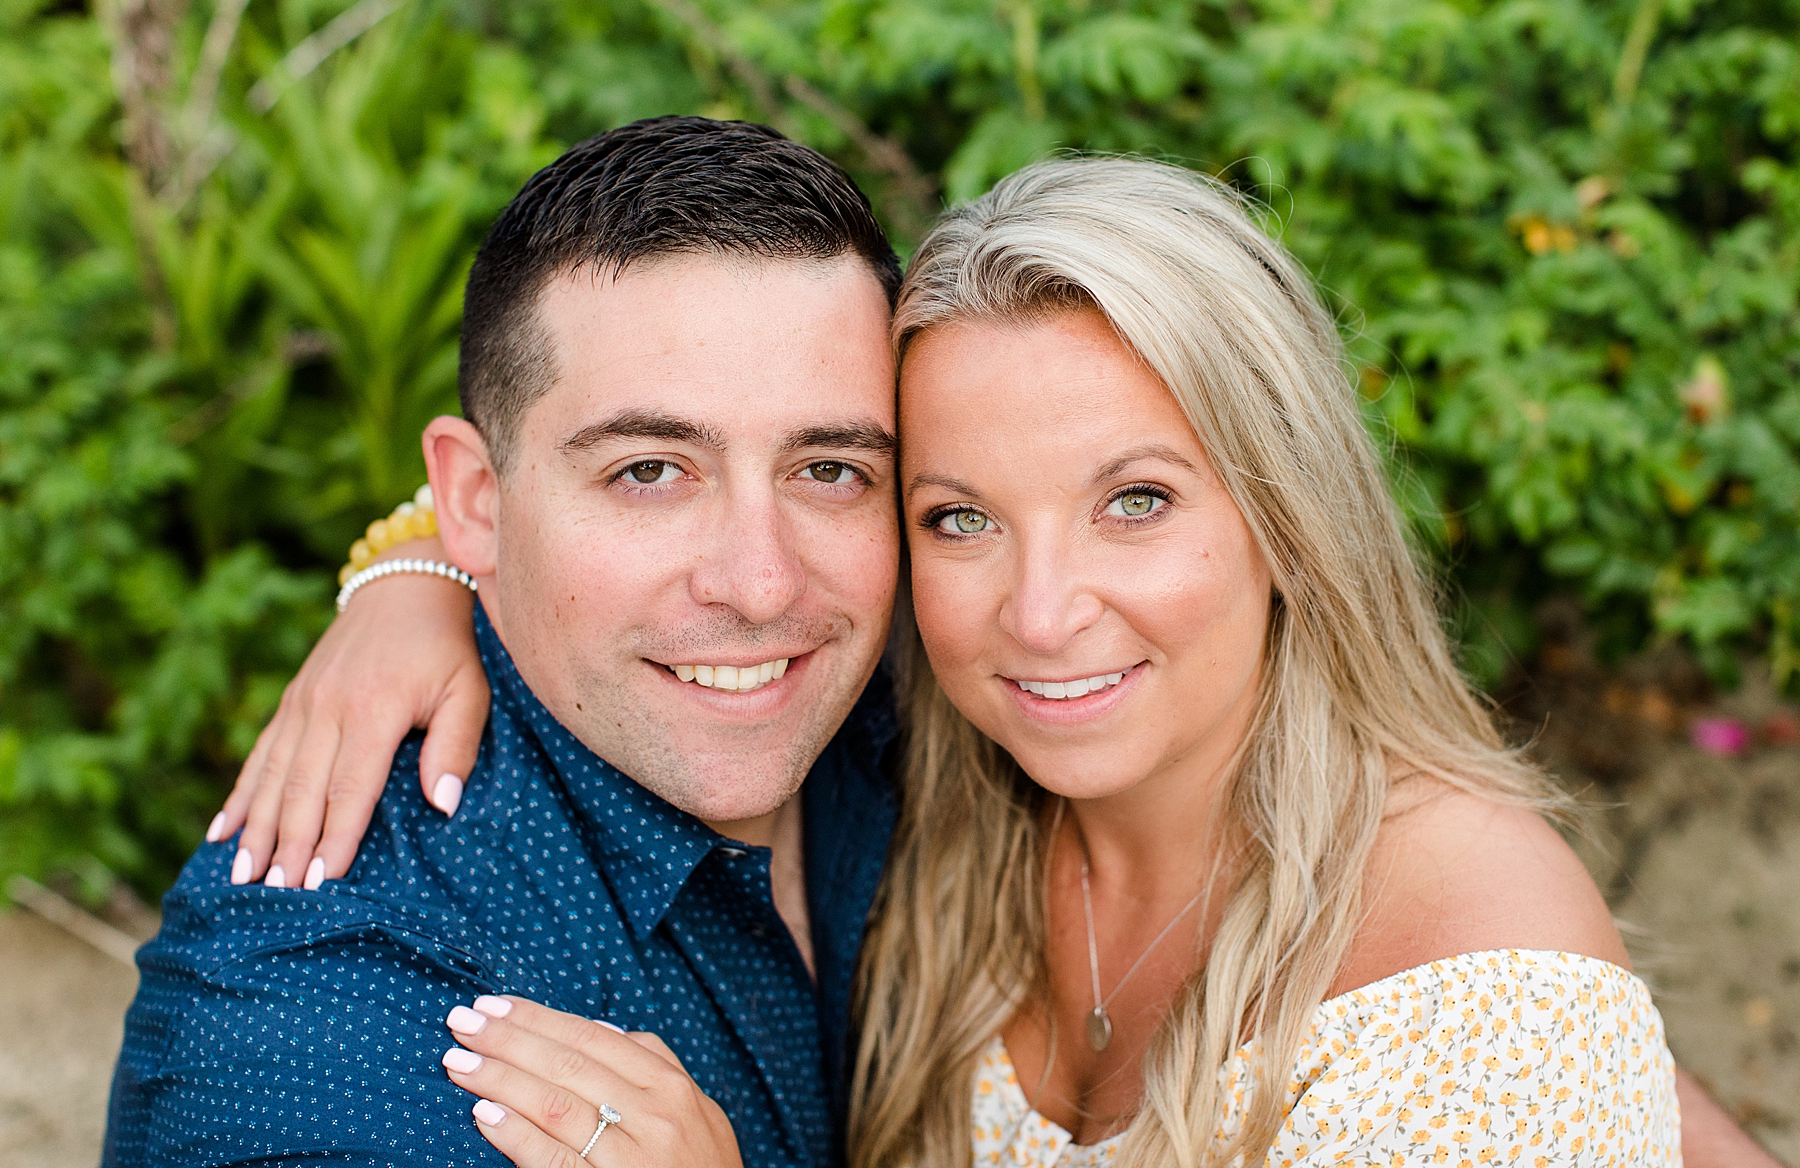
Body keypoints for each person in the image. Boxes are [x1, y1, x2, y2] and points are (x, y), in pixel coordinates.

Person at [189, 152, 1774, 1165]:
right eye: (955, 515)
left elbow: (1556, 1048)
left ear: (1290, 517)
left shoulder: (1475, 985)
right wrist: (416, 572)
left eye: (1136, 501)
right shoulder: (940, 773)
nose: (1037, 610)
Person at [103, 115, 907, 1167]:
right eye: (649, 471)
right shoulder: (310, 1013)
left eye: (830, 469)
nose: (761, 583)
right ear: (476, 501)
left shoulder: (981, 700)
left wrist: (408, 560)